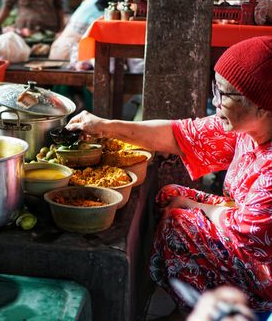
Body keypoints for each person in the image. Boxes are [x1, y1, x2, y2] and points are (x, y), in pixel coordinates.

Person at [66, 36, 272, 311]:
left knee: (178, 224)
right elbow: (178, 134)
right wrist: (104, 126)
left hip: (263, 266)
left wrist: (192, 206)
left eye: (225, 94)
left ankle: (209, 312)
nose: (215, 100)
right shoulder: (250, 131)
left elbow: (248, 230)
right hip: (244, 220)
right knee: (170, 194)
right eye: (215, 88)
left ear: (262, 105)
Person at [0, 0, 64, 34]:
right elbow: (7, 6)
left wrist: (61, 30)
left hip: (50, 30)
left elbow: (59, 6)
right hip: (25, 30)